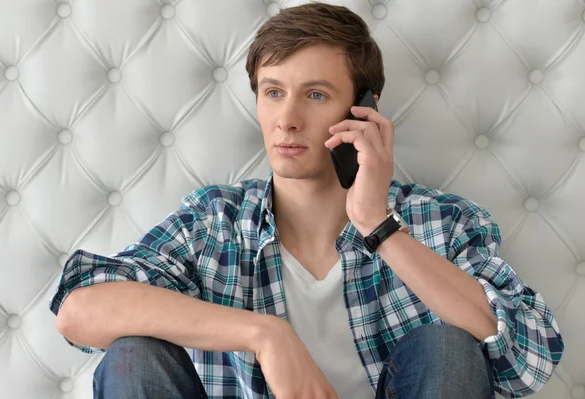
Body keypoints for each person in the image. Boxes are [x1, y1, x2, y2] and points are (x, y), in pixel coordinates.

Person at [49, 3, 564, 399]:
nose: (287, 119)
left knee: (448, 346)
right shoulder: (215, 222)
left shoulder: (439, 222)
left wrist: (377, 225)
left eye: (315, 94)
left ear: (365, 110)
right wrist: (263, 334)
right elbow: (80, 310)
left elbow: (528, 358)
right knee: (132, 357)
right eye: (273, 92)